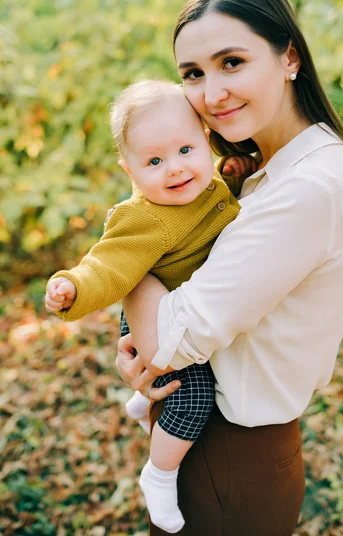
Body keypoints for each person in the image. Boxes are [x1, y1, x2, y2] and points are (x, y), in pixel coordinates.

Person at [116, 0, 343, 536]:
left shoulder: (308, 186)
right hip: (213, 443)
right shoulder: (264, 172)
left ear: (289, 59)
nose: (211, 93)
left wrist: (128, 250)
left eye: (232, 62)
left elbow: (172, 337)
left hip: (231, 457)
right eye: (193, 74)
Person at [44, 79, 254, 533]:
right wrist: (73, 286)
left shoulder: (209, 183)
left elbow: (218, 208)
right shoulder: (144, 218)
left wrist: (234, 173)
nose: (175, 169)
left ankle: (140, 408)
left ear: (205, 139)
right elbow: (107, 266)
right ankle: (159, 475)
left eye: (185, 150)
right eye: (154, 161)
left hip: (185, 305)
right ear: (130, 170)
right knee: (194, 396)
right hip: (157, 315)